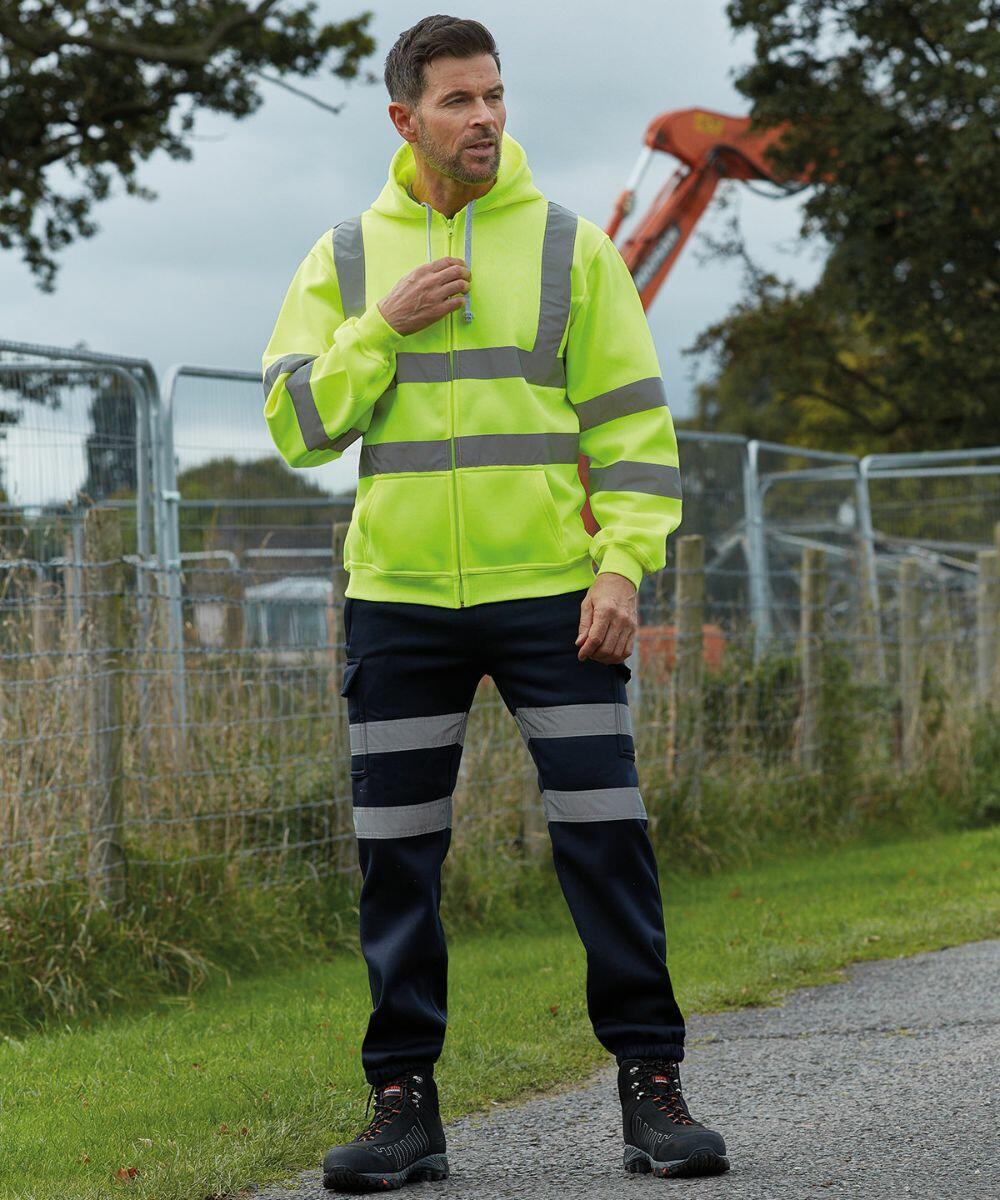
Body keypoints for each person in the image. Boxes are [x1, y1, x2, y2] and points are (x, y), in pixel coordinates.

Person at [262, 14, 729, 1192]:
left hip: (553, 600)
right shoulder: (344, 258)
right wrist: (383, 325)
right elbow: (295, 427)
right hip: (399, 604)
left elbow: (631, 427)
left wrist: (622, 564)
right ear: (404, 117)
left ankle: (652, 1091)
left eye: (495, 96)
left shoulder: (574, 249)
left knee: (605, 841)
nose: (483, 119)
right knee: (396, 859)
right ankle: (402, 1111)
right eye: (458, 100)